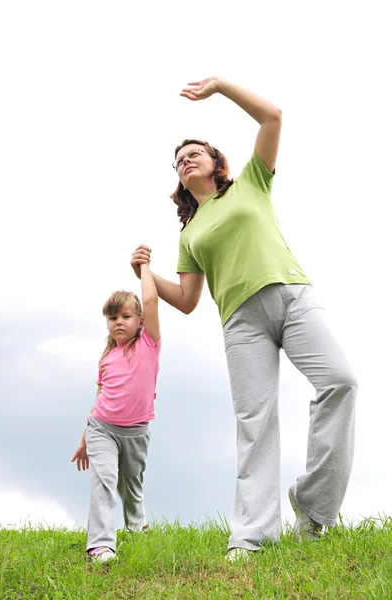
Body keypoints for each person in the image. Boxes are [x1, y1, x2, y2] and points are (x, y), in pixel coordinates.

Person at [131, 76, 358, 562]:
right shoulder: (190, 234)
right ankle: (251, 537)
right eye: (178, 159)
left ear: (218, 164)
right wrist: (145, 272)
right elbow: (188, 299)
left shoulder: (253, 182)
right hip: (241, 323)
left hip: (293, 296)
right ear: (178, 179)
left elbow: (273, 116)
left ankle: (314, 508)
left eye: (195, 152)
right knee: (255, 423)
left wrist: (219, 87)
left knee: (342, 381)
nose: (185, 159)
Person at [71, 261, 161, 564]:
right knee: (105, 481)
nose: (118, 322)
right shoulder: (107, 357)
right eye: (112, 318)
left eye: (125, 316)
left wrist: (145, 267)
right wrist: (85, 438)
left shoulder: (149, 343)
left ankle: (137, 526)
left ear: (140, 320)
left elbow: (150, 300)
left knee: (132, 485)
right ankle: (101, 546)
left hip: (136, 432)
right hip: (102, 428)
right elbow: (99, 399)